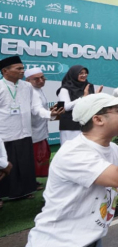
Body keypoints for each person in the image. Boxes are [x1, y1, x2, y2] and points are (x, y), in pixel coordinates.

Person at [27, 93, 118, 247]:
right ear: (98, 119)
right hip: (58, 241)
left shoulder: (113, 149)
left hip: (91, 239)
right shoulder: (74, 152)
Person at [0, 57, 59, 205]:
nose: (22, 71)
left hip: (25, 133)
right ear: (5, 71)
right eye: (18, 69)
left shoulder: (26, 87)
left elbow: (35, 108)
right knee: (5, 166)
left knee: (23, 165)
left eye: (22, 68)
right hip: (5, 135)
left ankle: (22, 192)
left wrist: (50, 114)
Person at [57, 65, 99, 145]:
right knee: (70, 150)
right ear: (74, 74)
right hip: (70, 126)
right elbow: (66, 107)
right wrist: (83, 97)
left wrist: (96, 97)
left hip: (86, 124)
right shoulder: (65, 89)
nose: (84, 75)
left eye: (86, 73)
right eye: (81, 73)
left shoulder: (89, 86)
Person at [25, 68, 53, 180]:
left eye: (42, 77)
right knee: (33, 160)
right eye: (36, 79)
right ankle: (30, 182)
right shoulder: (32, 91)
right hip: (33, 133)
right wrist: (51, 114)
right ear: (28, 80)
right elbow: (37, 110)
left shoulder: (38, 89)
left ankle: (32, 182)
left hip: (40, 131)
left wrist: (50, 111)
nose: (41, 80)